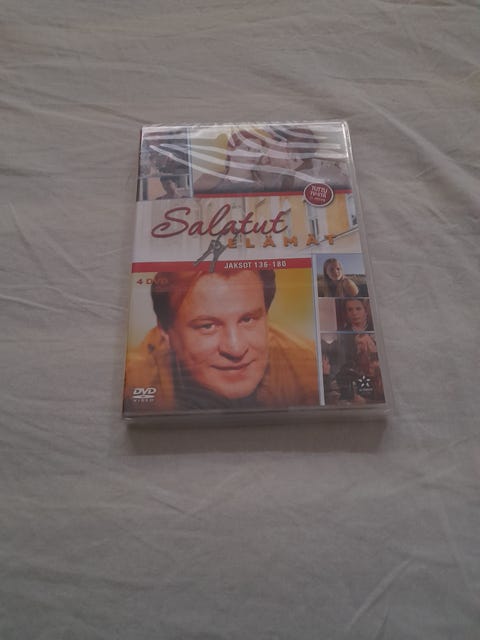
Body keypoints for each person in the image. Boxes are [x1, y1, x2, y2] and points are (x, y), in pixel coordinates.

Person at [124, 269, 319, 412]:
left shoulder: (311, 370)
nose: (236, 348)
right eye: (207, 326)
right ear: (165, 331)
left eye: (247, 320)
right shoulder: (131, 388)